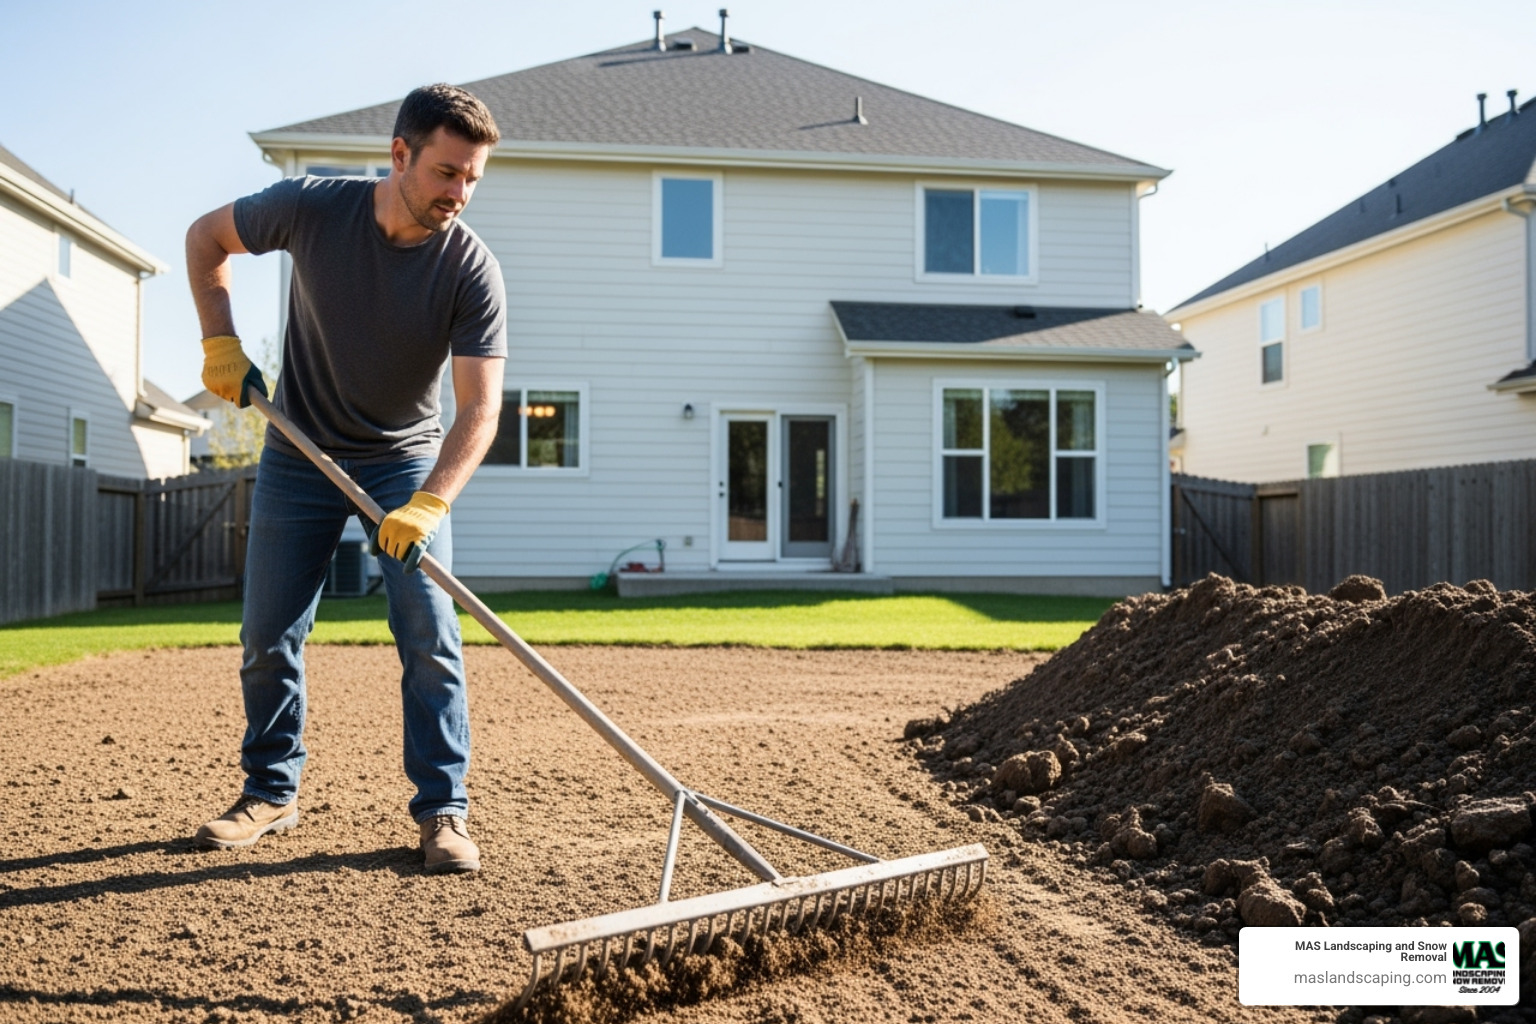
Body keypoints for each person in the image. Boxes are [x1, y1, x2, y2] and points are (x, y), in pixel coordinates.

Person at [184, 84, 507, 874]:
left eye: (472, 178)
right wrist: (219, 339)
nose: (459, 193)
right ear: (399, 155)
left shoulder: (471, 269)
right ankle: (270, 792)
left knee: (429, 633)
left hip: (403, 461)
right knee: (268, 635)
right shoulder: (310, 208)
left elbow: (480, 408)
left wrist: (430, 502)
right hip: (299, 449)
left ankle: (443, 810)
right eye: (446, 172)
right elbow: (204, 237)